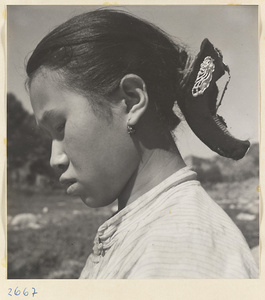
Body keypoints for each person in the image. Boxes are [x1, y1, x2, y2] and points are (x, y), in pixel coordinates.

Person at [26, 8, 258, 279]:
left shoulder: (176, 254)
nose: (56, 158)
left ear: (131, 101)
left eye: (60, 127)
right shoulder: (153, 232)